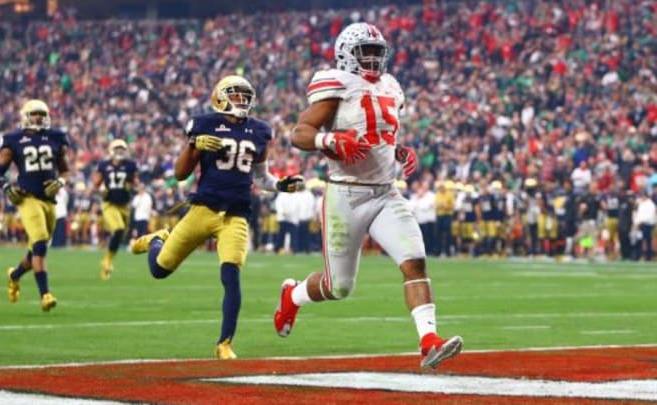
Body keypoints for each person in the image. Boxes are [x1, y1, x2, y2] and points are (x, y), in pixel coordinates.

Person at [272, 23, 462, 370]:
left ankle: (428, 341)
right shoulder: (336, 83)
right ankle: (293, 295)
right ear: (346, 53)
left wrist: (399, 151)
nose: (373, 59)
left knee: (414, 260)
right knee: (338, 286)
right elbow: (300, 133)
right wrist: (328, 141)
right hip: (345, 194)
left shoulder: (390, 86)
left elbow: (378, 135)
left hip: (385, 193)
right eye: (365, 52)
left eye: (377, 52)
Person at [129, 75, 305, 359]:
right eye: (236, 95)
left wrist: (281, 184)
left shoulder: (260, 130)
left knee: (231, 275)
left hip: (235, 215)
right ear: (221, 97)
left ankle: (224, 343)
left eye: (245, 96)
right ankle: (156, 240)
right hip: (203, 209)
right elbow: (180, 174)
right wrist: (193, 145)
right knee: (160, 270)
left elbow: (261, 177)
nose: (242, 101)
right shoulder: (205, 124)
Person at [0, 99, 69, 312]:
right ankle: (45, 295)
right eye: (35, 114)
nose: (39, 118)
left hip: (49, 201)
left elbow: (65, 171)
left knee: (36, 248)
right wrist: (8, 189)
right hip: (27, 199)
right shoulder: (14, 139)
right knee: (41, 243)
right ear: (26, 116)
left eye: (42, 114)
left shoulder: (55, 137)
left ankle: (14, 275)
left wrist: (60, 182)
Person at [92, 139, 137, 280]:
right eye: (117, 149)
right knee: (118, 229)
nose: (120, 152)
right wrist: (100, 190)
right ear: (111, 150)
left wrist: (134, 187)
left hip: (124, 205)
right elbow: (96, 184)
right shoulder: (104, 165)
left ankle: (108, 258)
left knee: (121, 234)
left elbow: (135, 182)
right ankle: (107, 261)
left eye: (122, 149)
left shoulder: (130, 165)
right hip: (109, 204)